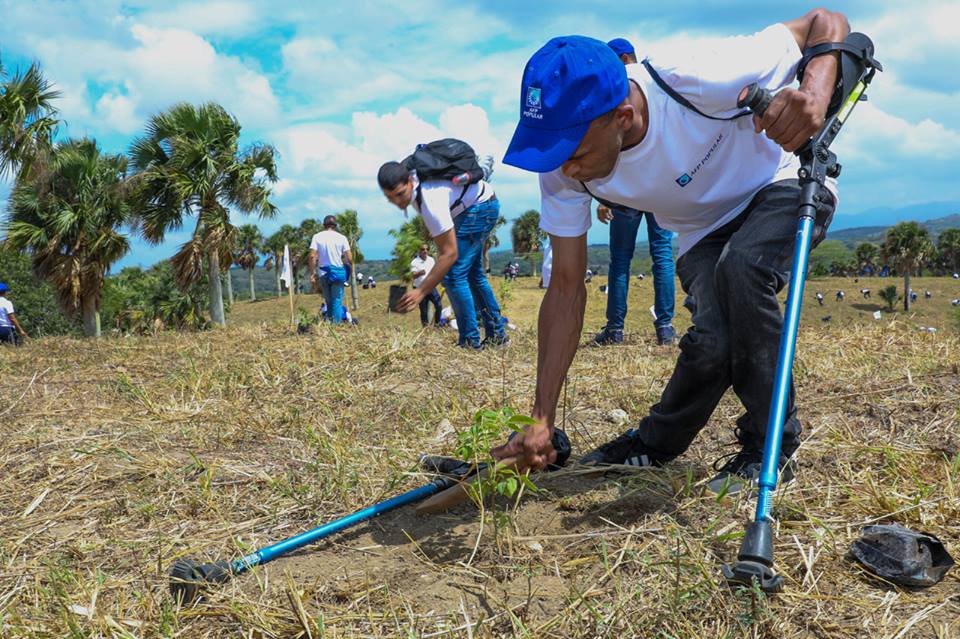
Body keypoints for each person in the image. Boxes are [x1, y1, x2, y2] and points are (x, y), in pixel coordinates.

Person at [491, 9, 847, 494]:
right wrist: (541, 419)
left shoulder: (701, 75)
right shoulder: (561, 168)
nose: (566, 170)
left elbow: (824, 21)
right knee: (715, 339)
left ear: (623, 116)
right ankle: (655, 444)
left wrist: (816, 93)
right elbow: (567, 287)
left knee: (742, 270)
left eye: (574, 153)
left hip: (782, 182)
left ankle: (771, 448)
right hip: (703, 228)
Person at [378, 143, 510, 349]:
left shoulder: (430, 200)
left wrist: (420, 292)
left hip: (480, 208)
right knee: (473, 276)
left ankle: (469, 342)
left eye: (400, 194)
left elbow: (449, 254)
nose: (396, 201)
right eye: (389, 198)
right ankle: (497, 335)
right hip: (476, 204)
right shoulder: (415, 185)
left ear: (410, 182)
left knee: (454, 276)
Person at [593, 38, 677, 347]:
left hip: (627, 190)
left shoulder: (616, 94)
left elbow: (606, 150)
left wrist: (603, 197)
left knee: (622, 260)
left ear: (626, 58)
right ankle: (665, 329)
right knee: (662, 257)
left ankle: (615, 330)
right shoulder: (657, 87)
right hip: (659, 186)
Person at [309, 215, 352, 325]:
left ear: (324, 226)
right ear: (335, 226)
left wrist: (313, 273)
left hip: (323, 273)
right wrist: (344, 264)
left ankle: (330, 323)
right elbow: (349, 257)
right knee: (337, 300)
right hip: (337, 273)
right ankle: (336, 326)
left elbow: (312, 256)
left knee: (328, 300)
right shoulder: (342, 238)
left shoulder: (317, 237)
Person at [411, 244, 443, 327]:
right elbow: (413, 275)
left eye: (427, 249)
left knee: (439, 305)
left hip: (431, 287)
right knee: (424, 311)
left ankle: (437, 325)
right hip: (420, 289)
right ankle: (425, 329)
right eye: (422, 249)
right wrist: (420, 273)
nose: (425, 251)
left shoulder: (431, 260)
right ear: (419, 251)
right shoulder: (415, 262)